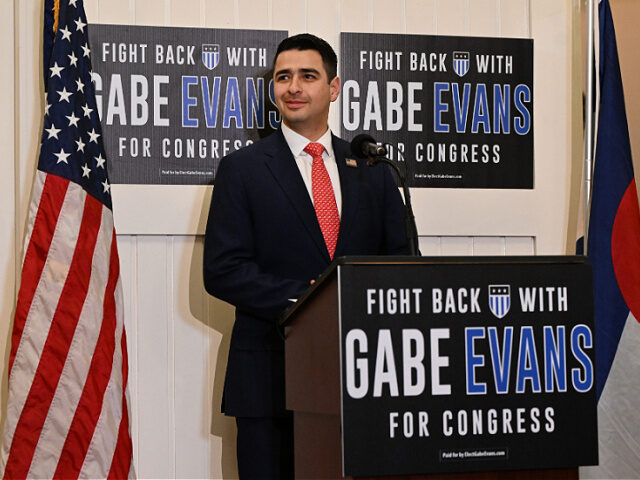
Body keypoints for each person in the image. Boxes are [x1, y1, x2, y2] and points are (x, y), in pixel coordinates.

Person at [203, 33, 408, 479]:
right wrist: (313, 301)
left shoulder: (373, 170)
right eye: (283, 77)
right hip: (269, 380)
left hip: (364, 381)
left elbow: (401, 265)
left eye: (307, 76)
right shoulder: (243, 168)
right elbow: (223, 271)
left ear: (333, 88)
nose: (293, 87)